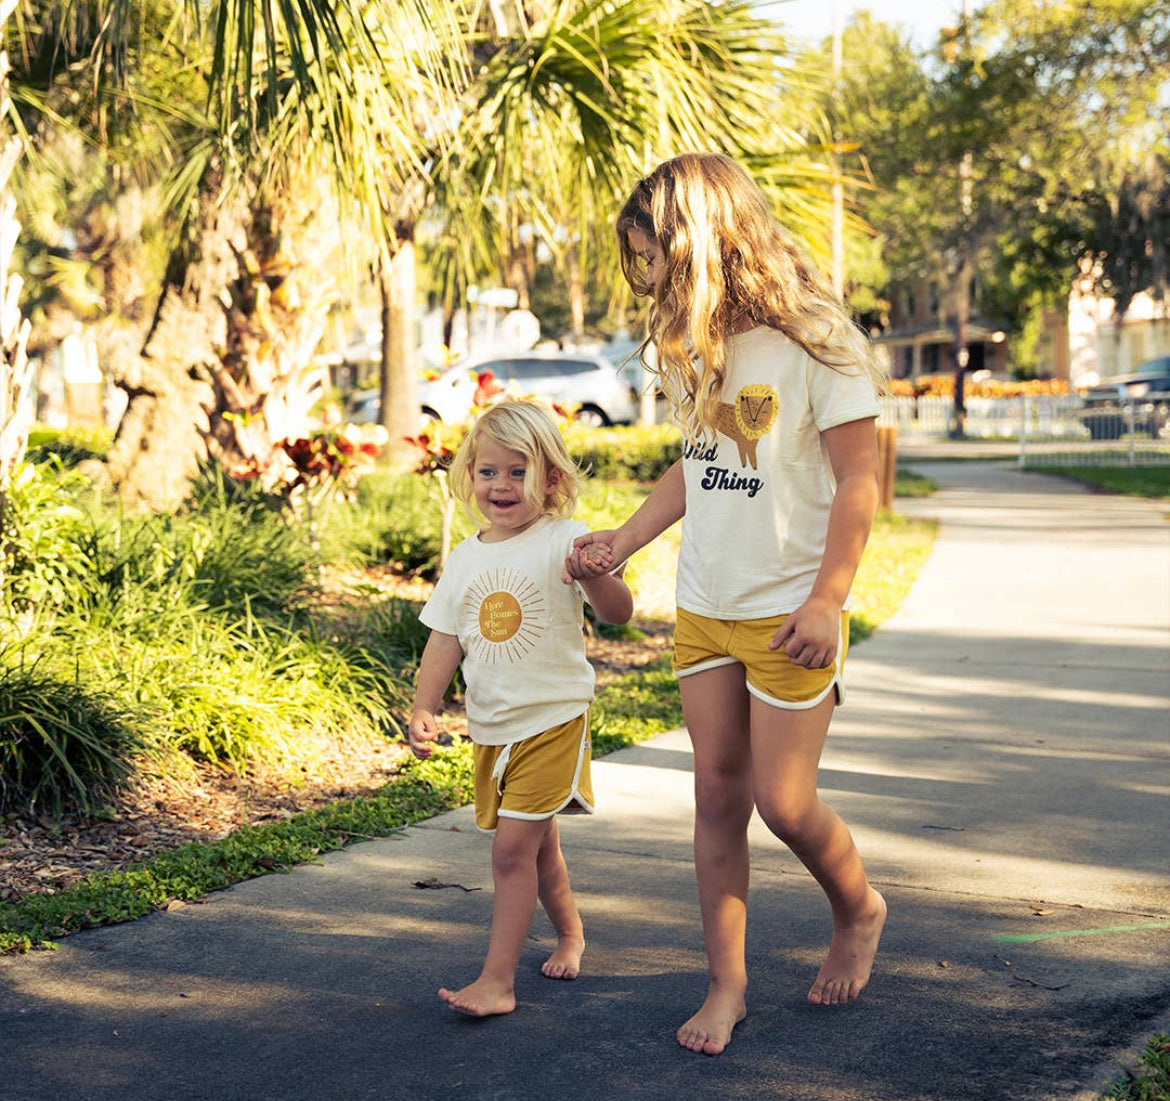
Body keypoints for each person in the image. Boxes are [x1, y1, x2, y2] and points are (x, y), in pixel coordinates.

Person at [564, 153, 888, 1055]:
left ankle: (858, 908)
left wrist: (830, 599)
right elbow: (697, 463)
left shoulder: (818, 337)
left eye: (656, 256)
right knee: (715, 797)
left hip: (792, 606)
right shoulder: (692, 346)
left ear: (706, 242)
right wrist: (625, 541)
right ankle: (727, 984)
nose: (651, 277)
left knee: (785, 803)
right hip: (706, 604)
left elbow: (860, 479)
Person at [409, 399, 633, 1018]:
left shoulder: (564, 540)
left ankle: (497, 982)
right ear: (470, 475)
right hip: (492, 726)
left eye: (517, 472)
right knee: (537, 849)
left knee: (510, 852)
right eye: (488, 472)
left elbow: (618, 613)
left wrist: (594, 573)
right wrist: (425, 705)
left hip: (554, 718)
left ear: (551, 479)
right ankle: (572, 933)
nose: (500, 486)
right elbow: (444, 639)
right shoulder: (466, 555)